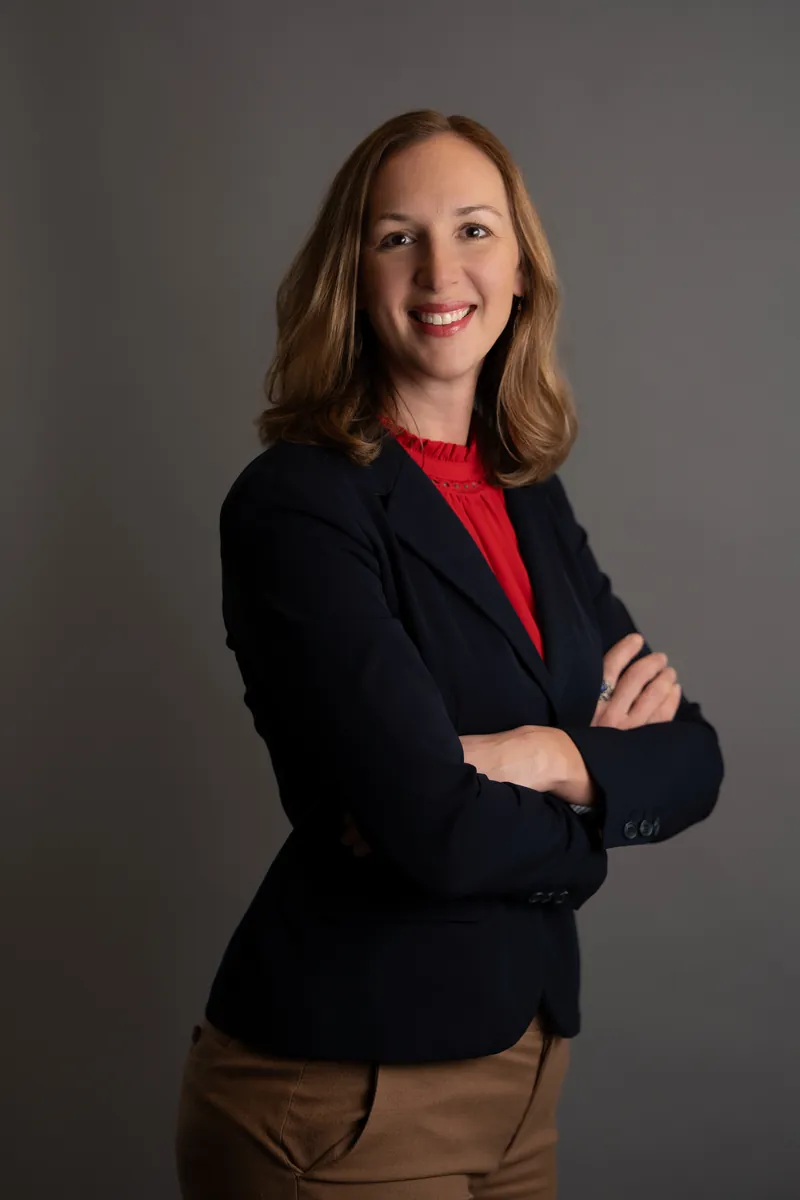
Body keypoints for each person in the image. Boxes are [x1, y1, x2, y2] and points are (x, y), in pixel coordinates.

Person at [174, 109, 724, 1199]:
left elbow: (692, 757)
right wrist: (593, 805)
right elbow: (433, 830)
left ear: (519, 271)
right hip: (346, 1099)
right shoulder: (299, 504)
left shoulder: (526, 492)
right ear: (353, 276)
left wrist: (535, 756)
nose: (439, 270)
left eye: (474, 229)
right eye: (397, 237)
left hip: (523, 1081)